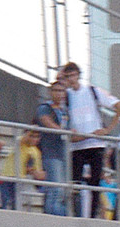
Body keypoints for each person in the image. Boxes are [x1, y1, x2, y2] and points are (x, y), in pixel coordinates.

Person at [60, 61, 120, 219]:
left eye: (73, 75)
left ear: (78, 75)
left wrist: (107, 129)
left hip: (95, 143)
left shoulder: (92, 91)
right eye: (68, 76)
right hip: (77, 146)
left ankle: (92, 217)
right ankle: (76, 214)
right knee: (75, 184)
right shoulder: (65, 96)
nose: (71, 79)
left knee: (95, 183)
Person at [33, 79, 71, 216]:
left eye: (62, 91)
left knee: (63, 190)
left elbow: (71, 133)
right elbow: (45, 120)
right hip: (51, 154)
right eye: (56, 90)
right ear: (50, 92)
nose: (59, 94)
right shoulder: (45, 107)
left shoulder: (65, 111)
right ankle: (53, 217)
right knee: (55, 190)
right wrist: (62, 130)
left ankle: (58, 215)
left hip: (63, 154)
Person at [0, 129, 43, 212]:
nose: (34, 139)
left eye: (37, 137)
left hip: (20, 178)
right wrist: (32, 128)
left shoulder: (36, 151)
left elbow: (37, 172)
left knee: (15, 202)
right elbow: (24, 139)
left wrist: (32, 170)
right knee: (5, 200)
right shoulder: (20, 142)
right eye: (32, 136)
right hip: (7, 176)